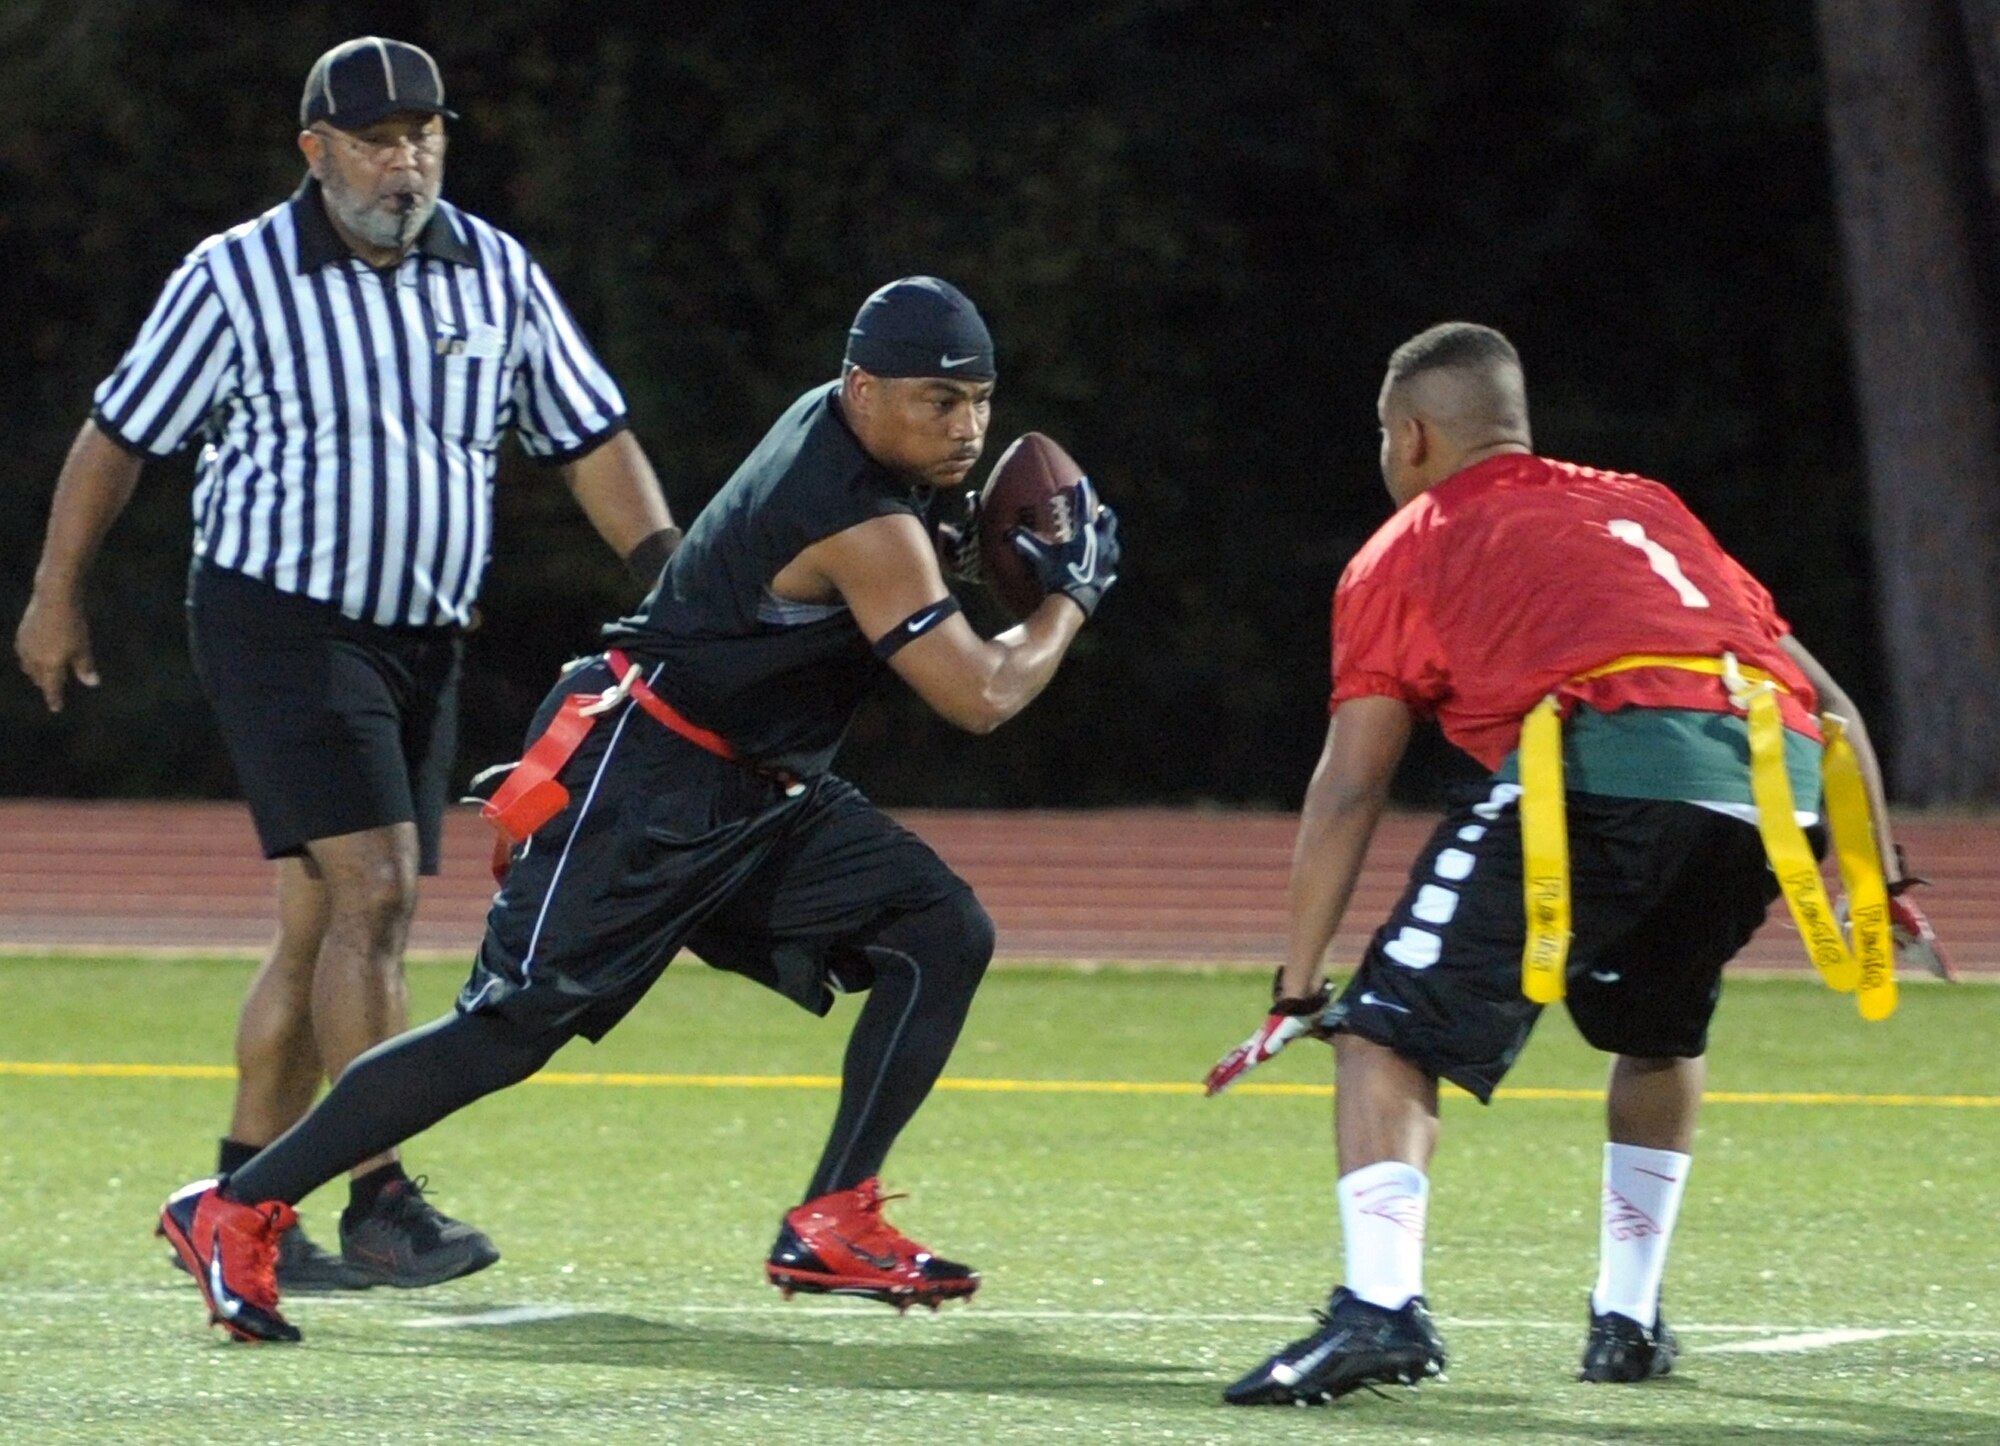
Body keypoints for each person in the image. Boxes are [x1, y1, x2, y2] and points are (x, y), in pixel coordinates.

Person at [156, 274, 1122, 1343]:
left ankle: (834, 1214)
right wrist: (1069, 600)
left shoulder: (852, 440)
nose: (968, 427)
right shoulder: (857, 513)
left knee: (938, 931)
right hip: (643, 775)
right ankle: (233, 1206)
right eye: (939, 401)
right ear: (860, 388)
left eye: (980, 400)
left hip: (753, 784)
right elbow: (979, 695)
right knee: (508, 1031)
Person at [16, 37, 679, 1293]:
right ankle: (380, 1197)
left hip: (421, 633)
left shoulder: (492, 269)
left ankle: (235, 1196)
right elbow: (116, 437)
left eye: (423, 133)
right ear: (314, 151)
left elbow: (589, 437)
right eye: (376, 138)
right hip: (280, 619)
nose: (404, 158)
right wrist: (57, 594)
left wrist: (675, 580)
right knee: (373, 894)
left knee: (321, 920)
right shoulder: (235, 276)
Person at [1203, 322, 1947, 1405]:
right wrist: (1876, 879)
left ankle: (1378, 1313)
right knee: (1654, 1031)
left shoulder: (1409, 541)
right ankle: (1626, 1322)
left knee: (1379, 1031)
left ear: (1409, 437)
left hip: (1604, 766)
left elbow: (1352, 781)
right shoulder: (1645, 505)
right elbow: (1825, 703)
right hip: (1776, 787)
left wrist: (1298, 982)